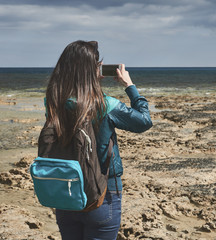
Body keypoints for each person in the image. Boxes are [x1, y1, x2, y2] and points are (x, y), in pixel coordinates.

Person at [44, 40, 152, 239]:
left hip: (66, 188)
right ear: (90, 70)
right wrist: (130, 85)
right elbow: (144, 121)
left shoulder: (52, 102)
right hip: (104, 192)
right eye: (96, 65)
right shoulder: (106, 105)